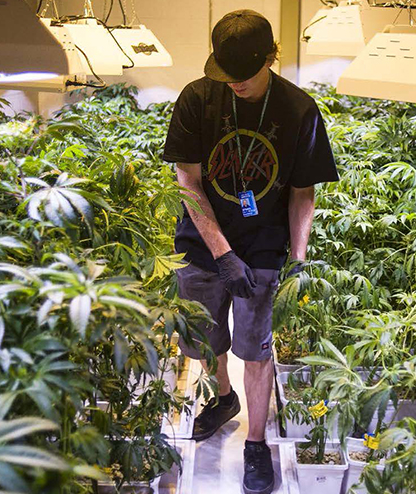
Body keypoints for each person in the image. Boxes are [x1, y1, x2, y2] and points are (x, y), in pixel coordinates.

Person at [162, 9, 338, 494]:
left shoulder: (299, 110)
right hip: (202, 241)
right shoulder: (197, 98)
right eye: (227, 74)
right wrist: (220, 251)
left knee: (256, 349)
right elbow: (188, 181)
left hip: (263, 246)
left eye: (244, 74)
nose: (234, 84)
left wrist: (299, 262)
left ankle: (256, 444)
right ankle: (223, 396)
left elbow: (303, 193)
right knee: (203, 337)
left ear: (269, 58)